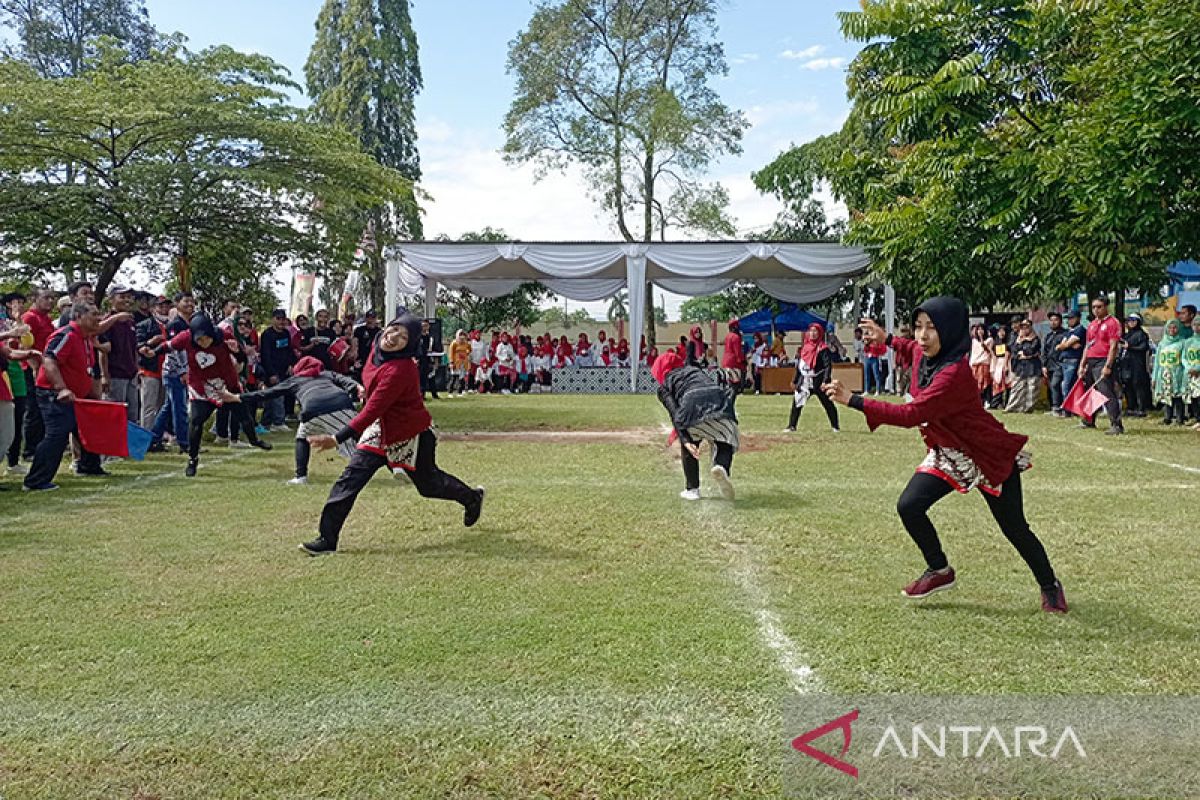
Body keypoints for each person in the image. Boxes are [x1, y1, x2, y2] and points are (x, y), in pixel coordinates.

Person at [821, 299, 1067, 613]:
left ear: (950, 331)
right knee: (909, 505)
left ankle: (1050, 585)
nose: (923, 335)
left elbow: (911, 414)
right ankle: (939, 570)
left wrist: (853, 400)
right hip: (948, 451)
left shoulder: (953, 375)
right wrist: (888, 340)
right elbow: (910, 348)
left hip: (985, 454)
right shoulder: (924, 356)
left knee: (1014, 529)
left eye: (932, 328)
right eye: (919, 325)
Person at [300, 314, 485, 555]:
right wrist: (362, 389)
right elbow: (371, 389)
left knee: (429, 486)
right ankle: (327, 539)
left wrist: (337, 438)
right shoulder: (377, 348)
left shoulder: (402, 368)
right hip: (380, 429)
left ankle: (471, 498)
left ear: (410, 344)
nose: (394, 337)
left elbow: (374, 408)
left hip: (411, 432)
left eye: (404, 336)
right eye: (394, 329)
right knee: (350, 478)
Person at [167, 313, 272, 477]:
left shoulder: (224, 335)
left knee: (243, 415)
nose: (203, 343)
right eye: (199, 340)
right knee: (196, 421)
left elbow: (242, 356)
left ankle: (254, 440)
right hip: (201, 385)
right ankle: (192, 459)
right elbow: (168, 346)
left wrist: (236, 352)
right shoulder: (185, 338)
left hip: (226, 383)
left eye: (206, 339)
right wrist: (151, 351)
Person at [233, 355, 362, 485]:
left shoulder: (295, 380)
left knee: (349, 448)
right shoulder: (327, 374)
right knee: (305, 435)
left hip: (314, 409)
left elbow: (267, 393)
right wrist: (358, 388)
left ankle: (302, 477)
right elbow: (346, 380)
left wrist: (238, 397)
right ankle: (302, 477)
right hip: (342, 404)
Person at [23, 303, 106, 490]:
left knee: (87, 428)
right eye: (94, 314)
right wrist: (61, 388)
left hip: (76, 395)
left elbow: (86, 368)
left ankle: (89, 466)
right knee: (57, 434)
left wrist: (93, 393)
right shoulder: (66, 335)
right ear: (78, 316)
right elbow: (49, 360)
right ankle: (35, 481)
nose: (98, 318)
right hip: (54, 394)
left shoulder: (85, 338)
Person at [652, 350, 738, 502]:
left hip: (692, 406)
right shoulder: (694, 370)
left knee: (689, 442)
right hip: (721, 402)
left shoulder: (664, 387)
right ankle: (721, 466)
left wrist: (685, 441)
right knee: (725, 440)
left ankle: (692, 489)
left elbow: (675, 414)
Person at [148, 292, 196, 453]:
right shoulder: (175, 324)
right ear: (177, 303)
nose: (190, 304)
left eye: (192, 301)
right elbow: (174, 349)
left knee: (168, 407)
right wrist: (183, 371)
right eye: (186, 301)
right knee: (179, 407)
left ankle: (152, 438)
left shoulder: (189, 323)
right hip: (174, 371)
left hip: (182, 370)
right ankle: (184, 442)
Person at [1077, 296, 1124, 435]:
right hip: (1091, 361)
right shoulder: (1092, 324)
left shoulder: (1112, 323)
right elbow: (1087, 345)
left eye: (1099, 307)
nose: (1096, 310)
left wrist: (1108, 365)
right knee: (1091, 392)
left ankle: (1116, 424)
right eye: (1093, 307)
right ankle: (1089, 420)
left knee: (1107, 392)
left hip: (1103, 360)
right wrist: (1082, 364)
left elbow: (1113, 346)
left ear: (1106, 307)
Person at [20, 288, 57, 461]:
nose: (50, 301)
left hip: (45, 367)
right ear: (34, 299)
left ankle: (40, 445)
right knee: (33, 409)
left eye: (52, 298)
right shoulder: (30, 317)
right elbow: (25, 346)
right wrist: (34, 367)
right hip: (31, 368)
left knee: (42, 408)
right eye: (46, 298)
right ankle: (29, 450)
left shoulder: (47, 319)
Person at [785, 323, 839, 433]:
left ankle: (835, 426)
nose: (813, 334)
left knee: (827, 403)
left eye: (815, 331)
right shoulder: (804, 348)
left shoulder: (823, 348)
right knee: (797, 402)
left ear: (819, 334)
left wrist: (825, 381)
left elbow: (827, 366)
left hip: (818, 381)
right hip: (804, 381)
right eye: (811, 331)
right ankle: (792, 426)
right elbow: (800, 366)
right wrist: (795, 381)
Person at [99, 285, 141, 423]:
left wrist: (137, 369)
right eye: (122, 297)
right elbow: (103, 349)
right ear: (111, 299)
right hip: (115, 374)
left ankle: (130, 444)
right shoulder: (107, 321)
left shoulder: (130, 320)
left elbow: (133, 348)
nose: (126, 300)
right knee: (115, 414)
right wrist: (104, 375)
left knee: (133, 414)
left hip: (131, 373)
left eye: (128, 297)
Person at [258, 309, 297, 431]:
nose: (281, 321)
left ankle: (266, 422)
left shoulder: (286, 333)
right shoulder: (267, 334)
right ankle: (278, 422)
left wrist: (291, 364)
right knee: (277, 396)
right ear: (273, 319)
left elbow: (289, 351)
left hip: (284, 370)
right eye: (278, 319)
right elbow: (266, 356)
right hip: (272, 371)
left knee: (273, 397)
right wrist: (271, 373)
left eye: (283, 319)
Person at [136, 296, 171, 431]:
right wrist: (151, 342)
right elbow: (138, 345)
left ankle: (158, 436)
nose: (164, 309)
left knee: (162, 405)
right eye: (160, 306)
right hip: (150, 370)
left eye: (166, 306)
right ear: (153, 309)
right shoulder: (144, 325)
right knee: (149, 405)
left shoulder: (172, 325)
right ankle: (146, 435)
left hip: (167, 370)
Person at [1152, 319, 1189, 425]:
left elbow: (1183, 359)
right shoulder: (1162, 343)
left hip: (1177, 373)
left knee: (1177, 396)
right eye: (1169, 327)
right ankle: (1167, 417)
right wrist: (1154, 377)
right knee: (1166, 396)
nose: (1172, 330)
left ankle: (1179, 418)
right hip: (1163, 374)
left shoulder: (1182, 342)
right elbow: (1157, 362)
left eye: (1175, 327)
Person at [1119, 313, 1153, 417]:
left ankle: (1141, 408)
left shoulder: (1141, 334)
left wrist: (1130, 347)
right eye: (1129, 320)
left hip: (1137, 365)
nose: (1131, 322)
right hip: (1126, 364)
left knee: (1138, 386)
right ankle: (1130, 407)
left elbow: (1144, 347)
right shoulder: (1127, 334)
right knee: (1128, 386)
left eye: (1134, 320)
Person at [1005, 320, 1042, 413]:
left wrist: (1024, 352)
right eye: (1023, 327)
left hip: (1032, 367)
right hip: (1020, 367)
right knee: (1017, 387)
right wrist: (1020, 342)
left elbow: (1032, 350)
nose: (1025, 330)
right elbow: (1014, 350)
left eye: (1027, 327)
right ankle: (1013, 407)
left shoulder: (1035, 339)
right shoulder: (1018, 339)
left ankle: (1028, 409)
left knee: (1031, 388)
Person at [1055, 310, 1086, 416]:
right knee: (1065, 385)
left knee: (1067, 385)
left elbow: (1065, 345)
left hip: (1073, 360)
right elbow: (1060, 346)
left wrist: (1066, 345)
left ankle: (1067, 410)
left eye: (1071, 318)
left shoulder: (1080, 330)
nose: (1069, 321)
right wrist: (1066, 345)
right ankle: (1068, 408)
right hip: (1065, 360)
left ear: (1078, 318)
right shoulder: (1069, 331)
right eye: (1068, 319)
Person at [1041, 313, 1067, 416]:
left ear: (1060, 321)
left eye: (1055, 320)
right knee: (1051, 386)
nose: (1053, 322)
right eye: (1051, 320)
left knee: (1056, 384)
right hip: (1049, 365)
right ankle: (1054, 407)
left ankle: (1058, 407)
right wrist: (1044, 365)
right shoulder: (1048, 336)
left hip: (1060, 364)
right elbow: (1044, 352)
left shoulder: (1065, 334)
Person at [987, 324, 1010, 409]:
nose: (1002, 333)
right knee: (997, 382)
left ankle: (1007, 402)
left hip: (1006, 363)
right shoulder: (995, 342)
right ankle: (996, 402)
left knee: (1007, 382)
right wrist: (993, 367)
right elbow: (993, 355)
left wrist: (1006, 365)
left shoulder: (1008, 342)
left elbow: (1008, 353)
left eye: (1003, 331)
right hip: (997, 363)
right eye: (1000, 331)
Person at [721, 319, 747, 393]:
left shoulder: (727, 336)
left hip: (725, 360)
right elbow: (737, 351)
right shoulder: (736, 337)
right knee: (738, 377)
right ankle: (739, 390)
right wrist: (742, 360)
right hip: (733, 361)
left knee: (729, 377)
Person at [447, 329, 471, 397]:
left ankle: (460, 391)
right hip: (456, 362)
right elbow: (451, 353)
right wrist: (451, 362)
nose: (462, 336)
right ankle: (450, 392)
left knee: (462, 378)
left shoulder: (466, 343)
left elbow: (469, 349)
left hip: (463, 363)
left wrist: (467, 353)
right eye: (460, 335)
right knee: (454, 377)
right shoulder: (454, 343)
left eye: (463, 335)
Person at [1185, 318, 1200, 427]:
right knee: (1193, 396)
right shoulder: (1188, 341)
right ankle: (1196, 417)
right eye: (1195, 324)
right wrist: (1188, 368)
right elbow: (1183, 357)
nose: (1197, 327)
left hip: (1198, 372)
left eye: (1199, 324)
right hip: (1191, 373)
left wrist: (1197, 369)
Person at [892, 325, 914, 397]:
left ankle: (906, 393)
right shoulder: (898, 341)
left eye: (905, 331)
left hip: (909, 363)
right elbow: (895, 352)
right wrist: (894, 362)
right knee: (899, 379)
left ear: (908, 332)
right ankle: (899, 392)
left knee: (909, 379)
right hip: (899, 363)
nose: (903, 333)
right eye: (902, 331)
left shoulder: (912, 341)